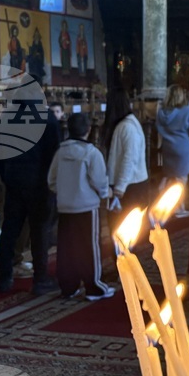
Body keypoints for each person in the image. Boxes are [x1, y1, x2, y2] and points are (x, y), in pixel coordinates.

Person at [0, 87, 62, 294]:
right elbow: (55, 153)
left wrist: (6, 177)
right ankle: (40, 279)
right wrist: (52, 183)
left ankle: (4, 277)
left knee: (9, 230)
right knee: (39, 231)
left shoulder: (7, 118)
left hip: (14, 182)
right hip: (39, 184)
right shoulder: (47, 118)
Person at [48, 113, 115, 300]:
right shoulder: (92, 153)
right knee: (89, 247)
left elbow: (51, 180)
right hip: (86, 207)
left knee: (66, 248)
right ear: (89, 130)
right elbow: (100, 182)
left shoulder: (60, 152)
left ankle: (68, 287)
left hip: (65, 206)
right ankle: (94, 287)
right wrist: (107, 193)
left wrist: (65, 192)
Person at [157, 85, 189, 216]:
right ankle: (179, 208)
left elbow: (158, 129)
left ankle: (167, 206)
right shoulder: (187, 112)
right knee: (181, 180)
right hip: (183, 149)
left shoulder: (161, 113)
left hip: (168, 148)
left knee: (170, 177)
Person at [104, 89, 149, 213]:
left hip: (131, 185)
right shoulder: (125, 124)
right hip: (128, 183)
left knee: (128, 222)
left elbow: (130, 158)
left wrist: (120, 187)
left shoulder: (128, 127)